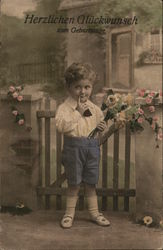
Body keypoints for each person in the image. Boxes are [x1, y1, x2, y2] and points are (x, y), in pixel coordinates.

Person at [55, 62, 110, 229]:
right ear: (69, 88)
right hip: (73, 149)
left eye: (87, 87)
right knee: (74, 183)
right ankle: (69, 214)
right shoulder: (65, 108)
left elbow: (100, 126)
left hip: (92, 149)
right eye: (78, 87)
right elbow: (61, 127)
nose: (83, 91)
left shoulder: (94, 108)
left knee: (91, 183)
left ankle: (94, 213)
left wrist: (101, 127)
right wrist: (77, 112)